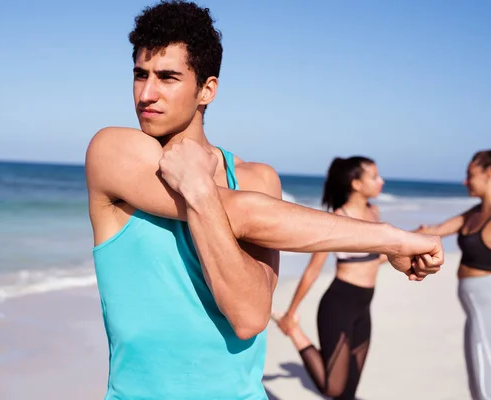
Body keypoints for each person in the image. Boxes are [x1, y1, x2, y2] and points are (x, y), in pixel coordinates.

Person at [84, 1, 443, 398]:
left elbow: (250, 315)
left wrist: (199, 189)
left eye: (168, 77)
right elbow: (244, 213)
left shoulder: (256, 177)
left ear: (207, 89)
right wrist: (391, 238)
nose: (147, 94)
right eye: (140, 75)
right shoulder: (112, 152)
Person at [271, 156, 389, 399]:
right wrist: (292, 311)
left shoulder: (374, 212)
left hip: (364, 306)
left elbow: (374, 258)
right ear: (356, 184)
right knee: (332, 388)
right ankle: (293, 330)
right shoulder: (337, 219)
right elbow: (313, 269)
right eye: (374, 177)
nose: (381, 181)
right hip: (339, 305)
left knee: (350, 390)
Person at [416, 150, 491, 400]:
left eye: (470, 175)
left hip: (486, 311)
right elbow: (434, 232)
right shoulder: (473, 214)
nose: (465, 181)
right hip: (475, 312)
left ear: (489, 174)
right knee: (477, 379)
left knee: (483, 382)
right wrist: (383, 248)